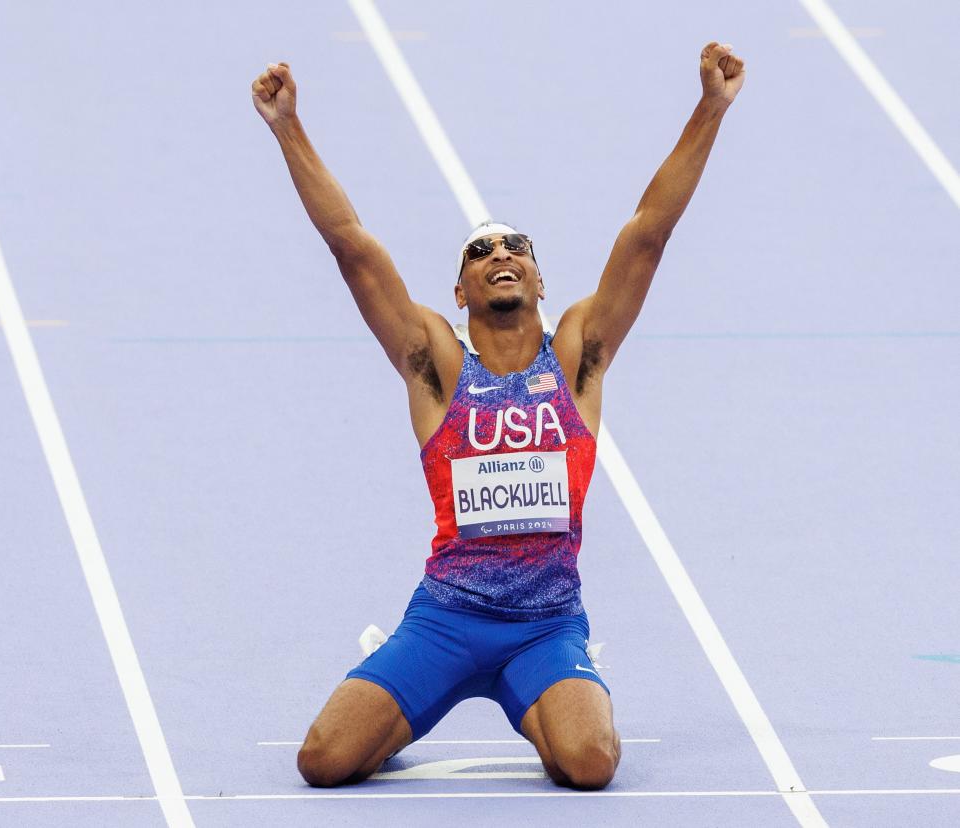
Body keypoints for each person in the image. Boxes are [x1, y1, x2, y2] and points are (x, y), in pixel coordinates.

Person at [251, 41, 745, 790]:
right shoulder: (437, 364)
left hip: (545, 625)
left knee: (587, 766)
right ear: (459, 289)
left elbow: (648, 232)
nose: (499, 254)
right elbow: (351, 247)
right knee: (323, 762)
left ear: (541, 277)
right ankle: (404, 693)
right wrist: (288, 126)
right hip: (447, 617)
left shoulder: (578, 357)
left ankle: (557, 689)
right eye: (480, 252)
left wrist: (709, 108)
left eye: (516, 246)